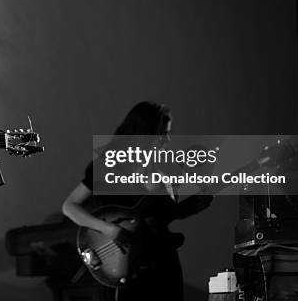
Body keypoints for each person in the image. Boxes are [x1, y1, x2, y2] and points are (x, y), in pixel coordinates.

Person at [62, 101, 212, 300]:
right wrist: (108, 229)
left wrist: (190, 207)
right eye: (161, 133)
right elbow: (70, 206)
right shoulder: (107, 166)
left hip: (161, 259)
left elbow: (161, 216)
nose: (166, 140)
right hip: (124, 261)